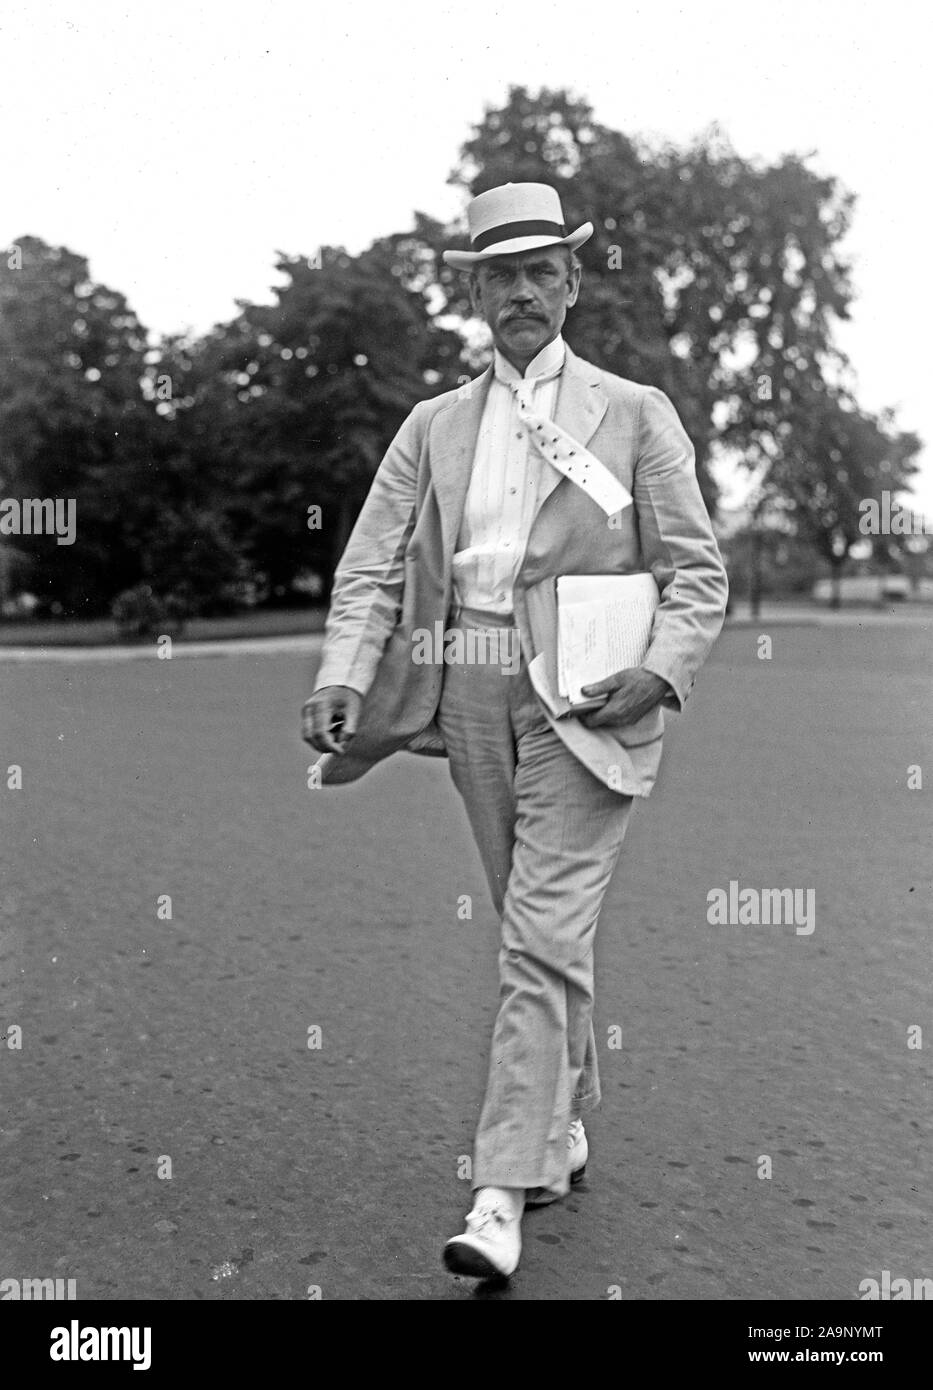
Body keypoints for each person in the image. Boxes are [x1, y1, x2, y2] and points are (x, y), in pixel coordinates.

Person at [302, 182, 729, 1280]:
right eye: (505, 274)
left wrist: (660, 673)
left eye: (545, 271)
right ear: (478, 293)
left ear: (574, 284)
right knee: (534, 927)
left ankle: (500, 1190)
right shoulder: (432, 426)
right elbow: (372, 563)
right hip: (466, 692)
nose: (526, 291)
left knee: (537, 938)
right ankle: (564, 1117)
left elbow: (698, 576)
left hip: (591, 700)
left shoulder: (636, 413)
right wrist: (346, 671)